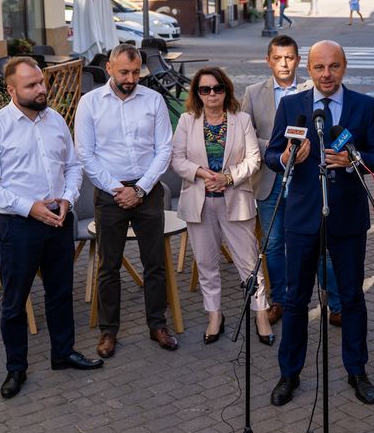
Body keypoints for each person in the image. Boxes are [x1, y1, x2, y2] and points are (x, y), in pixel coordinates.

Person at [265, 41, 374, 407]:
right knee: (296, 298)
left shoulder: (364, 106)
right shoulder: (291, 106)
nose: (327, 75)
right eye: (319, 68)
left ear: (344, 68)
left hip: (348, 216)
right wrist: (285, 156)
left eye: (334, 67)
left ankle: (357, 369)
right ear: (309, 70)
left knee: (351, 297)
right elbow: (272, 154)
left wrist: (354, 160)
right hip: (301, 216)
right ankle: (290, 373)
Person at [0, 57, 102, 400]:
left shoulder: (56, 120)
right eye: (31, 85)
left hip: (59, 221)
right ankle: (16, 368)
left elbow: (73, 167)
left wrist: (68, 199)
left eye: (41, 82)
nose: (41, 89)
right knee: (14, 303)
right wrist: (29, 207)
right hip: (18, 228)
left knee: (61, 293)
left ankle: (63, 353)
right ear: (12, 90)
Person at [74, 44, 176, 359]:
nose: (131, 79)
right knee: (108, 266)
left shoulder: (154, 100)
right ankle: (108, 331)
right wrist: (117, 189)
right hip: (109, 194)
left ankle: (157, 324)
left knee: (155, 263)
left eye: (135, 72)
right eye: (124, 72)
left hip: (147, 192)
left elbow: (164, 149)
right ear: (109, 68)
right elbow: (85, 153)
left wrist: (141, 189)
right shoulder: (89, 104)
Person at [169, 68, 273, 346]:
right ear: (197, 94)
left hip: (235, 201)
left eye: (217, 88)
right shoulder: (186, 121)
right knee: (206, 264)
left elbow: (253, 159)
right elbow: (177, 159)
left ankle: (261, 314)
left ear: (226, 90)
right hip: (199, 203)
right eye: (205, 90)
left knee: (249, 263)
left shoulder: (242, 120)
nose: (212, 94)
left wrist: (227, 178)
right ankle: (214, 315)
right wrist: (204, 174)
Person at [242, 35, 340, 326]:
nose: (284, 64)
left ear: (299, 60)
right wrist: (279, 149)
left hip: (306, 182)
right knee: (273, 245)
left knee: (321, 242)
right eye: (277, 58)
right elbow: (243, 137)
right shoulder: (252, 92)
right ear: (268, 60)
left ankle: (334, 301)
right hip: (270, 179)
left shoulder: (315, 89)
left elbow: (327, 131)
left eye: (289, 58)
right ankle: (280, 301)